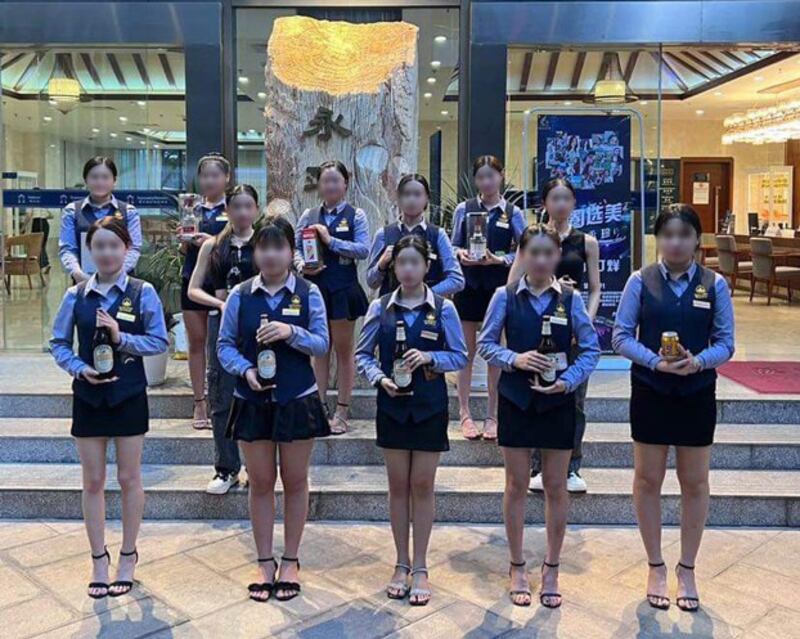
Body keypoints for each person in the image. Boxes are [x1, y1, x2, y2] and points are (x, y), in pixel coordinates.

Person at [612, 204, 734, 613]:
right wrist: (655, 361)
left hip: (697, 392)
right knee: (648, 480)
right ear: (658, 240)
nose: (675, 242)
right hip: (650, 390)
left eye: (683, 234)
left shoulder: (714, 284)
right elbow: (620, 336)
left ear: (698, 240)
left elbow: (726, 342)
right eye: (667, 235)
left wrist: (697, 362)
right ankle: (655, 565)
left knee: (694, 482)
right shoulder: (639, 281)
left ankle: (687, 568)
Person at [477, 224, 600, 608]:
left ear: (558, 254)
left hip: (558, 401)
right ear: (522, 255)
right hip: (516, 399)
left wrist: (568, 382)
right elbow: (484, 343)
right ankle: (517, 565)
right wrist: (514, 358)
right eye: (534, 253)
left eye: (549, 253)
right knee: (515, 485)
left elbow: (592, 349)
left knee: (556, 486)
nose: (542, 260)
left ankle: (551, 566)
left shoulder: (571, 298)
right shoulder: (505, 295)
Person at [49, 216, 168, 599]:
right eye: (98, 246)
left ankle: (128, 555)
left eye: (113, 246)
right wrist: (79, 368)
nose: (106, 253)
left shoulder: (142, 291)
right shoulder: (77, 295)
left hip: (129, 395)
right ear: (90, 250)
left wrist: (122, 338)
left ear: (126, 250)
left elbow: (159, 341)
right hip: (88, 398)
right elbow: (59, 343)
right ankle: (98, 559)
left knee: (130, 478)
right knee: (93, 481)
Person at [218, 216, 330, 603]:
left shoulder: (309, 292)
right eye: (263, 247)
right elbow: (224, 346)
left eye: (278, 246)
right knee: (261, 483)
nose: (270, 254)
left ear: (291, 251)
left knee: (296, 481)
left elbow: (321, 343)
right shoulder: (241, 295)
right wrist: (245, 370)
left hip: (298, 399)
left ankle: (291, 560)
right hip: (252, 401)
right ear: (255, 252)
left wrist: (290, 332)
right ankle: (264, 560)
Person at [356, 234, 467, 606]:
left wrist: (431, 359)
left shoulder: (444, 309)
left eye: (414, 263)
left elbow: (460, 355)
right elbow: (363, 355)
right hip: (392, 403)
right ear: (394, 267)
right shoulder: (381, 307)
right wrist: (379, 378)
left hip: (430, 404)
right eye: (401, 262)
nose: (407, 269)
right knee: (397, 486)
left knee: (422, 485)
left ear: (426, 267)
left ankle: (420, 565)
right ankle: (400, 562)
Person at [509, 178, 601, 493]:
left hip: (572, 333)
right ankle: (537, 466)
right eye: (554, 198)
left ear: (574, 203)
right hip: (537, 332)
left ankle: (572, 467)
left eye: (566, 198)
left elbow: (596, 289)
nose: (560, 204)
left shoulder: (586, 242)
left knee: (573, 401)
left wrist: (582, 325)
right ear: (544, 203)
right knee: (534, 395)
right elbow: (512, 284)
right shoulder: (532, 238)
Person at [188, 184, 259, 495]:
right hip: (223, 325)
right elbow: (194, 289)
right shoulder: (214, 245)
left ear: (257, 209)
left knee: (260, 394)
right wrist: (221, 304)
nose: (242, 212)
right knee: (221, 395)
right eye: (236, 206)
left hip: (260, 326)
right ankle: (226, 468)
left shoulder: (266, 242)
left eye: (248, 206)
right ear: (227, 210)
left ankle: (257, 469)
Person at [451, 155, 525, 441]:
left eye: (490, 176)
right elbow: (453, 243)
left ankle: (493, 415)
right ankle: (465, 413)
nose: (486, 182)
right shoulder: (464, 209)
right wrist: (461, 255)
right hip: (468, 287)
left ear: (501, 176)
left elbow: (523, 249)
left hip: (499, 289)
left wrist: (500, 260)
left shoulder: (512, 212)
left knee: (495, 353)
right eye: (480, 177)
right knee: (465, 353)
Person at [294, 161, 369, 435]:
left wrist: (331, 240)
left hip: (343, 290)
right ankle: (318, 408)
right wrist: (303, 266)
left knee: (344, 351)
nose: (331, 186)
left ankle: (342, 410)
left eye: (336, 181)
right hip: (314, 290)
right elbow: (295, 247)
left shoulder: (356, 215)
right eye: (326, 181)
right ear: (319, 185)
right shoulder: (309, 214)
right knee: (318, 350)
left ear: (346, 183)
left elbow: (363, 249)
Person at [179, 153, 232, 430]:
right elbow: (184, 249)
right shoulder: (192, 208)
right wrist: (185, 241)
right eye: (204, 175)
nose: (209, 180)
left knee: (221, 344)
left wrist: (211, 240)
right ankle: (199, 401)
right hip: (193, 279)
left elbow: (240, 238)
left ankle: (221, 399)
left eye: (215, 175)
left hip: (222, 281)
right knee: (196, 343)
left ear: (227, 178)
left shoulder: (234, 207)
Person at [367, 173, 464, 297]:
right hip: (391, 308)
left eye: (417, 194)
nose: (411, 199)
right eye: (406, 194)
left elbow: (457, 280)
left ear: (426, 198)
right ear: (398, 198)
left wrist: (425, 295)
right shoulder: (383, 234)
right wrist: (381, 264)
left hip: (428, 309)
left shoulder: (438, 234)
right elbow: (371, 282)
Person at [59, 156, 142, 282]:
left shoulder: (129, 212)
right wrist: (78, 274)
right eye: (94, 177)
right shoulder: (71, 211)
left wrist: (115, 275)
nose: (100, 182)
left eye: (105, 177)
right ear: (86, 180)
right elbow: (67, 249)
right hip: (84, 282)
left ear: (114, 181)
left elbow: (134, 248)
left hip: (122, 282)